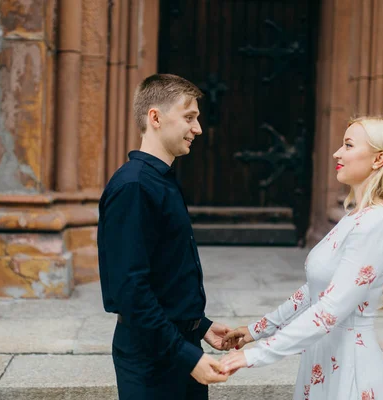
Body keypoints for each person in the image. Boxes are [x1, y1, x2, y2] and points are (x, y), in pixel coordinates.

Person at [220, 116, 383, 400]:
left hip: (352, 375)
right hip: (324, 363)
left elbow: (329, 309)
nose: (337, 153)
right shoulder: (354, 217)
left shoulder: (378, 223)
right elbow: (314, 291)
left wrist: (255, 355)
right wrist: (256, 330)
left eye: (348, 145)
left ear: (379, 159)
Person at [97, 74, 236, 400]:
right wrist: (187, 356)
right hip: (153, 358)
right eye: (189, 117)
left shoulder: (160, 181)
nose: (198, 129)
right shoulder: (134, 186)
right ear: (155, 117)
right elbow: (131, 291)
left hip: (177, 346)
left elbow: (165, 275)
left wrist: (199, 327)